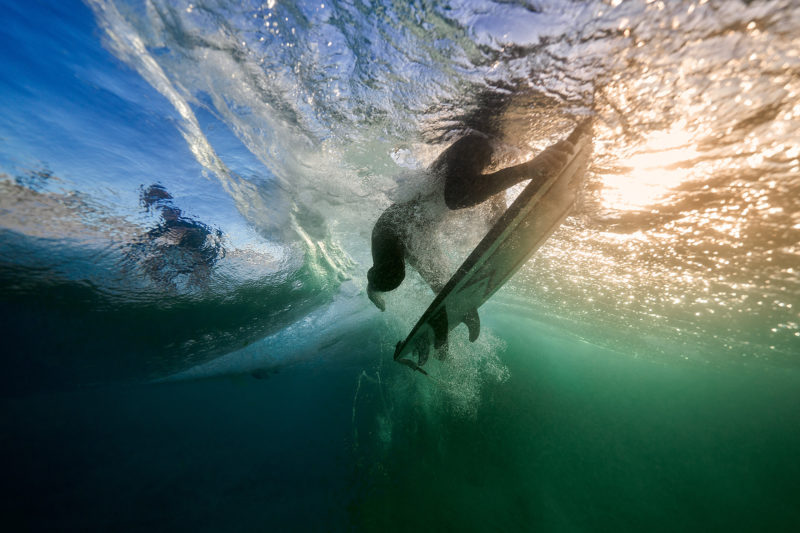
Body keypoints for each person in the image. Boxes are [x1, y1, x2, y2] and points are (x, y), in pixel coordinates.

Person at [367, 119, 591, 311]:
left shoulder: (494, 166)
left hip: (422, 235)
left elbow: (494, 219)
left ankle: (441, 334)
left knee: (447, 293)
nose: (522, 146)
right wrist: (527, 169)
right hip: (394, 226)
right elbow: (457, 198)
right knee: (391, 278)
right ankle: (373, 286)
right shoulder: (475, 145)